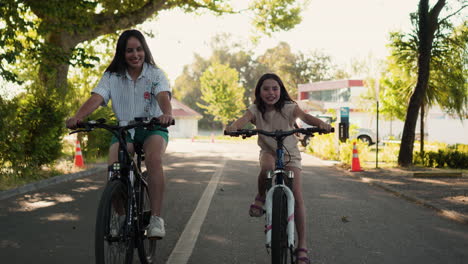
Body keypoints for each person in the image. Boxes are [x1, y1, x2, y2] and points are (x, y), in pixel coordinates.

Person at [66, 29, 173, 239]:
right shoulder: (112, 76)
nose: (135, 55)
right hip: (125, 129)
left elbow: (162, 96)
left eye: (139, 49)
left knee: (153, 160)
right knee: (114, 171)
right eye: (129, 51)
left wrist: (167, 114)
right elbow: (96, 98)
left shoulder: (155, 74)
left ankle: (156, 220)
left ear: (145, 50)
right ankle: (122, 216)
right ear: (121, 53)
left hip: (153, 127)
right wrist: (77, 117)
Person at [226, 73, 332, 264]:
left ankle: (302, 246)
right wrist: (233, 127)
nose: (271, 92)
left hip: (290, 153)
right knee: (266, 168)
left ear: (281, 90)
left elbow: (306, 117)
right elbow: (243, 120)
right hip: (269, 151)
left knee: (297, 195)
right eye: (266, 89)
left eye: (275, 88)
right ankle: (260, 196)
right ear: (259, 92)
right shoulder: (255, 110)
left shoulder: (290, 107)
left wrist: (321, 124)